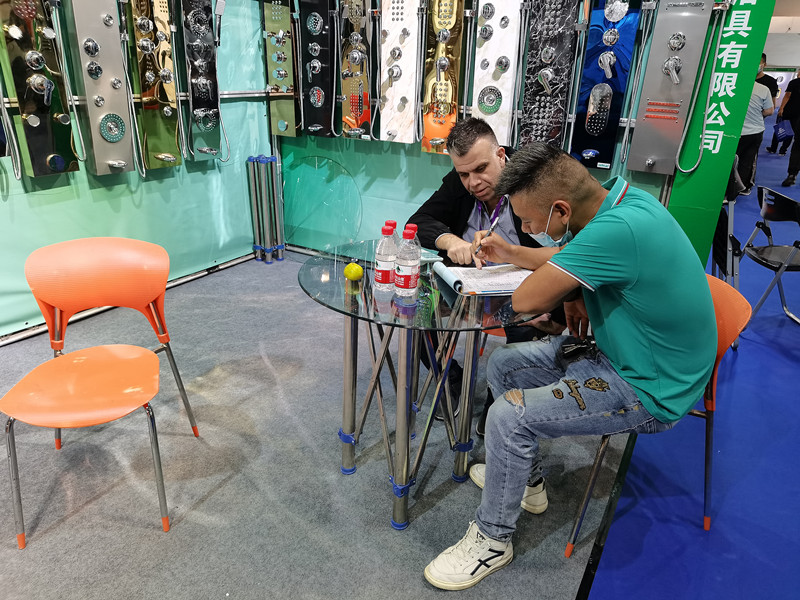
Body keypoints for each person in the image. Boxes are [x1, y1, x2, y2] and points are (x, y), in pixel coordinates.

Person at [423, 143, 716, 591]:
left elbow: (526, 299)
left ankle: (492, 540)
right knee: (504, 365)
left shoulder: (617, 231)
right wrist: (512, 252)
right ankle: (528, 483)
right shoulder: (618, 200)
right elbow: (563, 257)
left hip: (650, 387)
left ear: (561, 210)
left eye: (527, 221)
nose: (526, 229)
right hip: (623, 352)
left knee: (508, 416)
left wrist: (556, 285)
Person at [407, 118, 565, 435]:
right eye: (464, 174)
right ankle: (450, 377)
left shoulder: (534, 180)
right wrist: (451, 241)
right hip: (470, 282)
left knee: (526, 327)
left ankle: (499, 396)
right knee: (414, 312)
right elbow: (419, 220)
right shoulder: (461, 181)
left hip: (526, 283)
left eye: (481, 169)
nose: (473, 182)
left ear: (501, 155)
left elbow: (567, 252)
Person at [736, 81, 774, 195]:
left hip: (731, 131)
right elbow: (769, 111)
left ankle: (725, 189)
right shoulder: (762, 89)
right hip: (754, 131)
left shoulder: (730, 85)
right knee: (747, 160)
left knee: (728, 160)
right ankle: (742, 188)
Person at [778, 69, 800, 187]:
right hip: (794, 114)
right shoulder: (794, 82)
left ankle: (792, 174)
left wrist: (782, 108)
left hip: (791, 112)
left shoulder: (794, 82)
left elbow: (787, 96)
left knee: (796, 146)